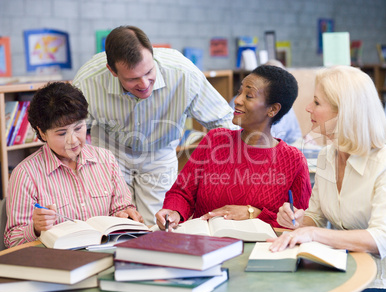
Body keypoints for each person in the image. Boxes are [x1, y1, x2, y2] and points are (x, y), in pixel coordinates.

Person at [73, 26, 237, 225]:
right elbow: (71, 132)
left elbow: (223, 122)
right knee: (114, 222)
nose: (144, 84)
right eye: (132, 79)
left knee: (159, 222)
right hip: (111, 151)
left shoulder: (183, 73)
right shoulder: (88, 81)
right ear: (112, 71)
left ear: (152, 54)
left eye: (149, 72)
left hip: (159, 151)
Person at [269, 66, 386, 292]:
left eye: (317, 103)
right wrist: (298, 222)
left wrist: (312, 234)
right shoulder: (327, 155)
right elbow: (316, 217)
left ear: (345, 112)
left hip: (384, 283)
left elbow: (381, 239)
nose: (308, 108)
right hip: (343, 269)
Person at [155, 65, 312, 230]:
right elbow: (181, 193)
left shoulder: (293, 161)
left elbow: (300, 222)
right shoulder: (215, 141)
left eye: (249, 96)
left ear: (272, 109)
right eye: (239, 92)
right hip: (206, 247)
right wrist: (174, 212)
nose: (237, 100)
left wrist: (254, 213)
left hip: (261, 250)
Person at [4, 82, 143, 248]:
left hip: (104, 251)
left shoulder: (105, 159)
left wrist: (126, 215)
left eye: (78, 128)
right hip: (58, 262)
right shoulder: (25, 174)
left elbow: (122, 207)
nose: (73, 140)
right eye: (62, 133)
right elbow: (12, 240)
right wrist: (35, 228)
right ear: (42, 132)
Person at [229, 60, 302, 144]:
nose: (237, 101)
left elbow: (295, 137)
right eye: (239, 92)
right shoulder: (238, 107)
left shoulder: (286, 109)